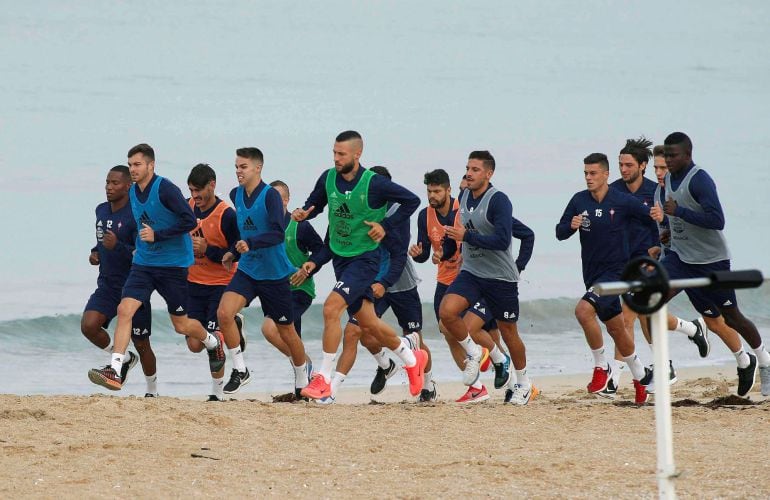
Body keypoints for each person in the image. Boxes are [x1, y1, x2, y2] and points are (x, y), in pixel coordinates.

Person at [292, 130, 426, 400]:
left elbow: (412, 200)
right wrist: (306, 212)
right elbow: (316, 201)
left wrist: (384, 226)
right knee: (370, 324)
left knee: (331, 309)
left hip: (365, 259)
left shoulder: (374, 184)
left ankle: (323, 378)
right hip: (341, 258)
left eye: (341, 154)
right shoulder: (328, 177)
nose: (336, 158)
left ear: (357, 153)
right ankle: (412, 358)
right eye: (334, 152)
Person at [88, 144, 225, 391]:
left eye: (137, 165)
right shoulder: (132, 192)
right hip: (144, 263)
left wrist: (158, 235)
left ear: (151, 165)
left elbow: (189, 220)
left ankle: (213, 342)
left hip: (173, 266)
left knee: (181, 325)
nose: (133, 169)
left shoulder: (166, 189)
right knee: (125, 309)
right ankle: (116, 369)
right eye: (130, 165)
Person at [650, 132, 769, 397]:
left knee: (731, 317)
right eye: (665, 155)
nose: (668, 160)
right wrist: (668, 232)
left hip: (711, 261)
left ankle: (762, 359)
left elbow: (717, 220)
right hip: (680, 259)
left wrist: (677, 212)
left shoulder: (700, 179)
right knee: (653, 297)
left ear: (688, 155)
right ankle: (666, 364)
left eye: (673, 155)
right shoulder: (667, 179)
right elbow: (675, 217)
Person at [328, 165, 436, 403]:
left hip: (400, 282)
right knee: (356, 330)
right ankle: (383, 365)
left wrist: (385, 283)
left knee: (414, 337)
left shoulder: (397, 214)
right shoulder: (361, 209)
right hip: (370, 280)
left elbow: (398, 256)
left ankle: (428, 386)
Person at [556, 152, 656, 405]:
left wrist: (656, 248)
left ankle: (601, 367)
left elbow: (652, 220)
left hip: (616, 272)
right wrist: (571, 225)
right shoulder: (579, 201)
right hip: (591, 272)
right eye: (585, 174)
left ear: (605, 174)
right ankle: (642, 378)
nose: (588, 178)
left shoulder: (622, 201)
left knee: (582, 311)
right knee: (616, 328)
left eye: (593, 174)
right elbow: (559, 231)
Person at [439, 150, 536, 405]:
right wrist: (445, 250)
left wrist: (467, 238)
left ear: (489, 173)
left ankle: (524, 384)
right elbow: (458, 233)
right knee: (447, 313)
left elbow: (503, 239)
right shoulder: (464, 196)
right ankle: (474, 353)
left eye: (475, 170)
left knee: (509, 333)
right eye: (467, 169)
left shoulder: (498, 201)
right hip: (471, 272)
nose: (469, 174)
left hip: (500, 278)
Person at [216, 148, 310, 398]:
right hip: (248, 270)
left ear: (258, 168)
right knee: (224, 313)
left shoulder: (270, 196)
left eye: (243, 166)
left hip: (274, 274)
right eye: (236, 166)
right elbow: (242, 231)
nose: (238, 171)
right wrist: (233, 253)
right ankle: (240, 369)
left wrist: (252, 244)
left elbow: (278, 233)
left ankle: (303, 378)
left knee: (287, 331)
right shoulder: (236, 194)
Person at [82, 165, 158, 397]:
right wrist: (95, 252)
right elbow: (101, 240)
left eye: (115, 183)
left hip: (134, 284)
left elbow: (143, 252)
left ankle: (152, 392)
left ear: (128, 186)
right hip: (107, 284)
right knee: (89, 325)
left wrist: (119, 247)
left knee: (142, 342)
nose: (109, 187)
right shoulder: (101, 210)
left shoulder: (136, 215)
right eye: (107, 182)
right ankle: (124, 358)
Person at [185, 163, 246, 401]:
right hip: (192, 282)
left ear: (212, 185)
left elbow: (238, 251)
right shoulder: (187, 207)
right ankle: (235, 325)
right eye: (191, 190)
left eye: (198, 190)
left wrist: (209, 250)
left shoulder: (226, 215)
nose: (195, 196)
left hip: (221, 283)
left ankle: (217, 393)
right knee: (194, 344)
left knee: (215, 341)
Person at [260, 180, 322, 387]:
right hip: (276, 291)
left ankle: (305, 363)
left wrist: (307, 268)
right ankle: (303, 386)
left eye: (278, 198)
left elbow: (321, 250)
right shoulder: (263, 228)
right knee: (292, 337)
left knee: (270, 329)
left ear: (286, 201)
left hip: (299, 290)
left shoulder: (299, 226)